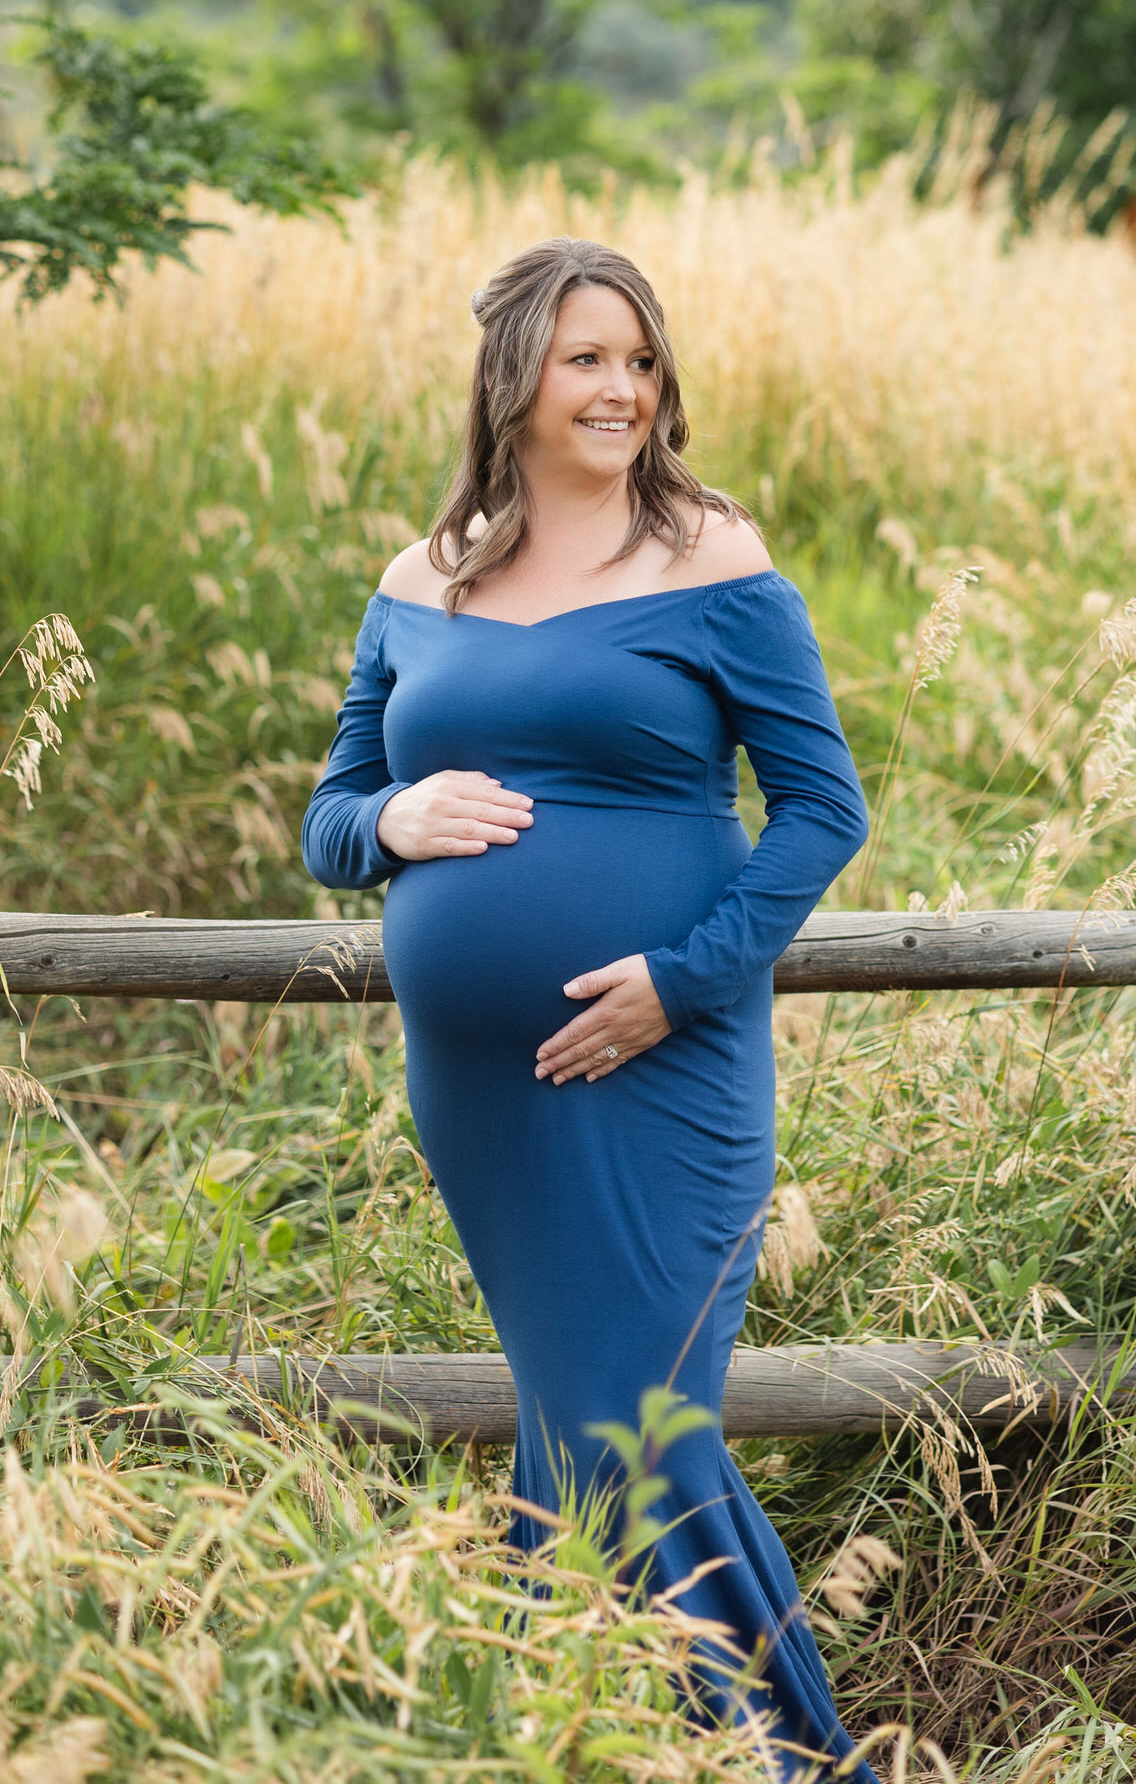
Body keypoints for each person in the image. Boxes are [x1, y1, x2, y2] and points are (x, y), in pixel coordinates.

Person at [301, 236, 874, 1779]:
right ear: (513, 381)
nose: (622, 387)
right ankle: (591, 1734)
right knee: (587, 1428)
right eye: (586, 359)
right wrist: (391, 824)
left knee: (645, 1433)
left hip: (666, 1068)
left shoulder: (714, 559)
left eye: (639, 359)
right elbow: (332, 811)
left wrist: (678, 985)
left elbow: (824, 811)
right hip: (482, 1088)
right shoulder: (424, 578)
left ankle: (766, 1760)